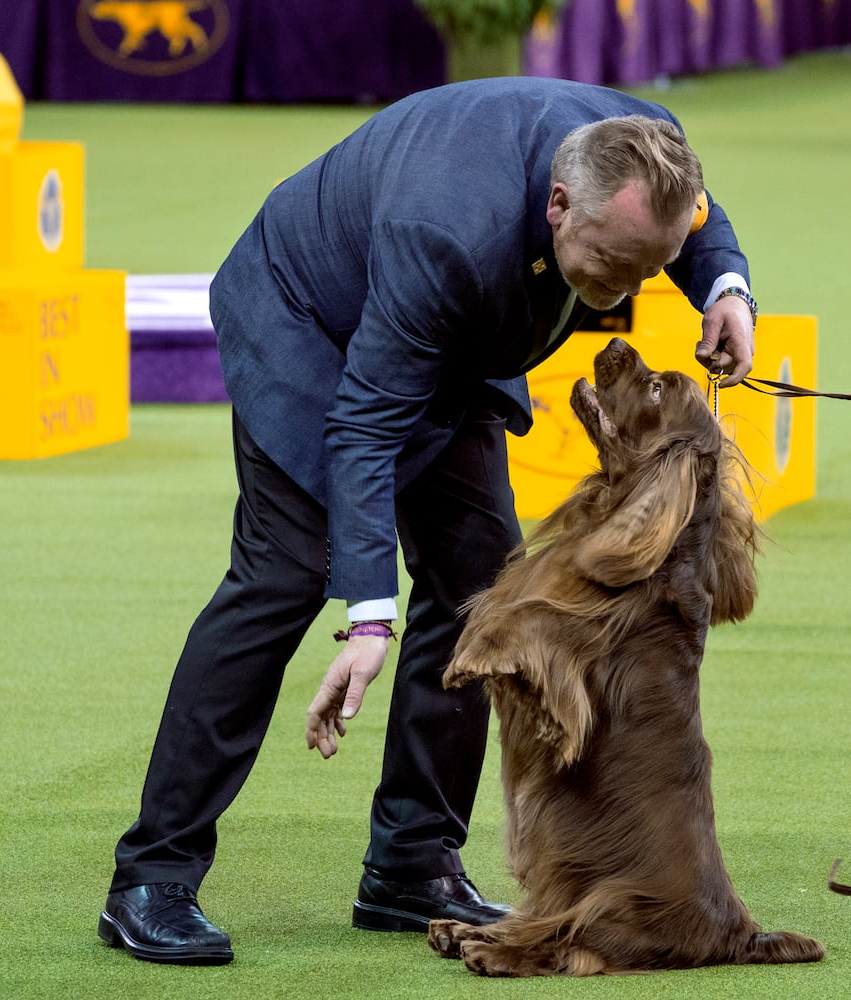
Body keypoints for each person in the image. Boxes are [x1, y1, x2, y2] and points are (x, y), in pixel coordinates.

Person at [99, 76, 757, 966]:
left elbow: (692, 222)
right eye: (611, 264)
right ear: (558, 203)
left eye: (650, 268)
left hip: (459, 329)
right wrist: (367, 615)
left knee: (481, 584)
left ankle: (411, 862)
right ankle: (153, 876)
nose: (624, 294)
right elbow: (364, 424)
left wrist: (721, 288)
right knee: (282, 576)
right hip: (310, 323)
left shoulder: (645, 150)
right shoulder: (445, 230)